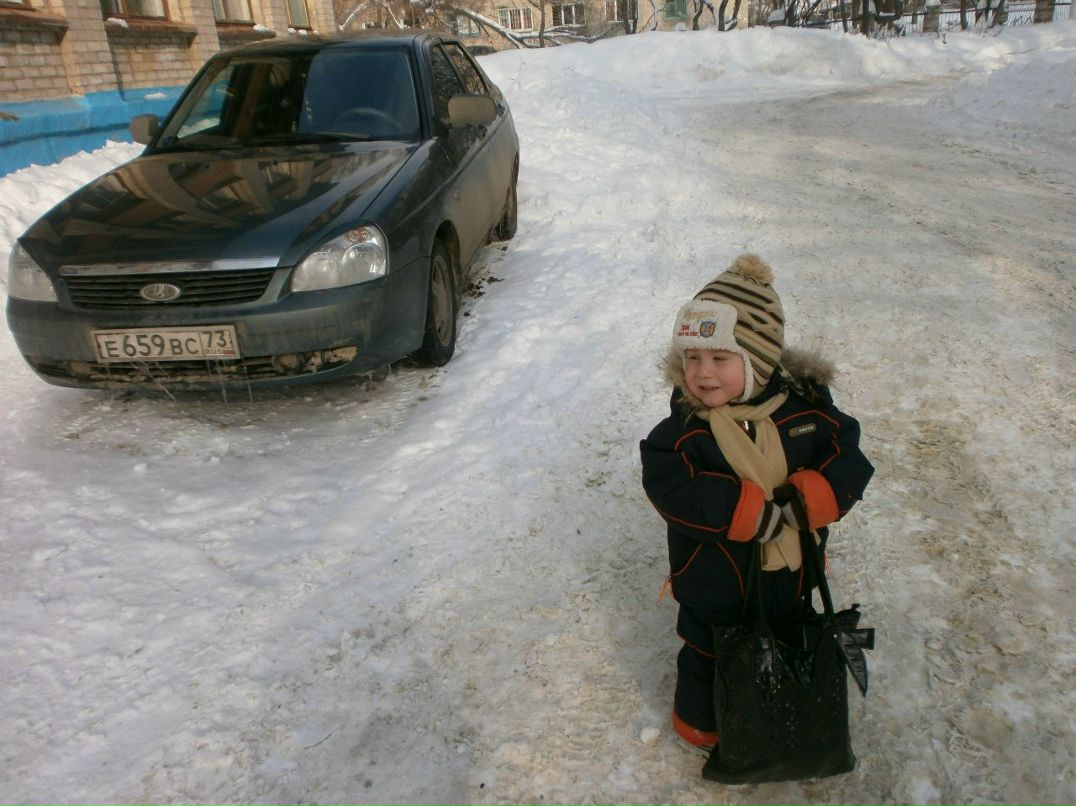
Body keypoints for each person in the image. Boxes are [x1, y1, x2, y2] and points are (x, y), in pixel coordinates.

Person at [639, 253, 874, 757]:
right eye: (692, 358)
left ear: (758, 360)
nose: (702, 374)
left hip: (789, 574)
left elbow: (848, 456)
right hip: (712, 578)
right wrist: (740, 509)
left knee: (786, 634)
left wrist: (817, 494)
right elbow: (670, 483)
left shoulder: (806, 414)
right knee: (706, 649)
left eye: (720, 359)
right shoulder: (685, 431)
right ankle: (700, 725)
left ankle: (775, 710)